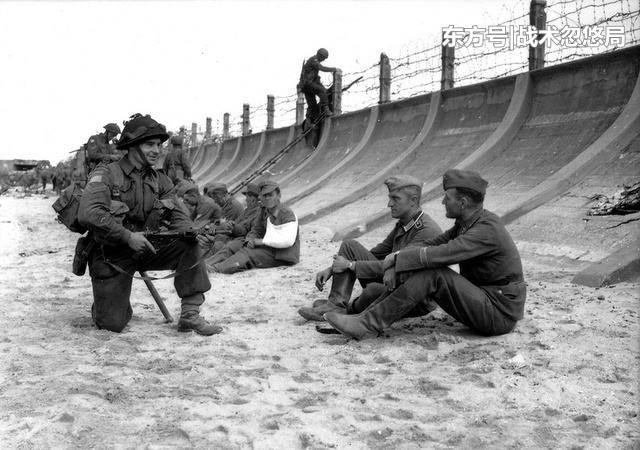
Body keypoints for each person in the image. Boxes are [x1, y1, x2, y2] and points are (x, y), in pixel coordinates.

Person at [323, 169, 527, 340]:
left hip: (498, 314)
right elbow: (433, 244)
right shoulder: (467, 223)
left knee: (434, 272)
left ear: (463, 203)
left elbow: (445, 253)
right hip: (485, 302)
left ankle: (367, 323)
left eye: (447, 198)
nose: (442, 203)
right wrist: (398, 262)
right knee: (426, 266)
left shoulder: (486, 229)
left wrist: (397, 259)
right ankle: (363, 319)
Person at [77, 113, 221, 335]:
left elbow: (179, 217)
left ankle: (190, 314)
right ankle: (109, 303)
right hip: (111, 252)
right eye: (149, 144)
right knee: (112, 324)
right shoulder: (106, 173)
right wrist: (127, 237)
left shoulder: (159, 179)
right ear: (132, 146)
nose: (156, 150)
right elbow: (88, 213)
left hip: (147, 246)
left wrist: (195, 233)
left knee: (188, 244)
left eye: (158, 145)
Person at [298, 175, 442, 322]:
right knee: (350, 246)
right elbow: (377, 253)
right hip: (395, 283)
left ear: (413, 200)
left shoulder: (426, 231)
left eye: (395, 198)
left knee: (372, 291)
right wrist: (332, 268)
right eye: (390, 198)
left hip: (412, 297)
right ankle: (335, 303)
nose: (389, 204)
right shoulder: (405, 223)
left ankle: (347, 309)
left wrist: (349, 265)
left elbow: (398, 267)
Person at [209, 180, 299, 274]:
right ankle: (212, 266)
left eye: (270, 195)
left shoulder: (286, 213)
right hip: (270, 250)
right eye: (264, 195)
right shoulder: (263, 210)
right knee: (241, 247)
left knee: (247, 254)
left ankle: (217, 269)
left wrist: (260, 242)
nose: (267, 198)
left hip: (283, 256)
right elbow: (257, 229)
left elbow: (287, 241)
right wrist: (250, 239)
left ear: (278, 196)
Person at [206, 182, 262, 265]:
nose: (246, 199)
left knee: (222, 246)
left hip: (241, 239)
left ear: (253, 198)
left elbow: (245, 230)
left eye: (247, 197)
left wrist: (229, 225)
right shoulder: (247, 210)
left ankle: (208, 265)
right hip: (235, 237)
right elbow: (234, 224)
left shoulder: (236, 206)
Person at [298, 48, 339, 120]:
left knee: (312, 105)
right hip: (308, 84)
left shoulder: (313, 61)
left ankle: (310, 120)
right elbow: (322, 68)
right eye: (323, 58)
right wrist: (334, 69)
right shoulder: (313, 60)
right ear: (320, 55)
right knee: (322, 90)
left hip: (305, 86)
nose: (323, 60)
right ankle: (326, 110)